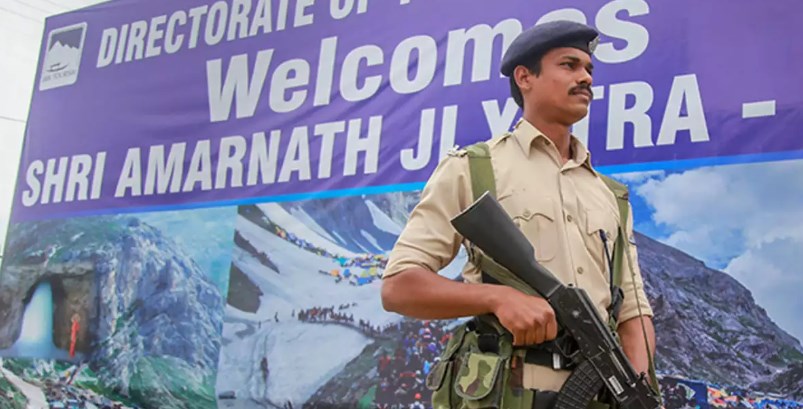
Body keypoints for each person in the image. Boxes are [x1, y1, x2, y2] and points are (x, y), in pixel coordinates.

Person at [381, 20, 656, 405]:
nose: (585, 78)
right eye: (569, 65)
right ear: (524, 77)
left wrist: (635, 391)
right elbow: (399, 287)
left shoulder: (610, 196)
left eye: (589, 70)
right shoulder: (473, 168)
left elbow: (633, 311)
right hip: (507, 394)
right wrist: (497, 298)